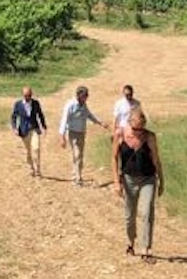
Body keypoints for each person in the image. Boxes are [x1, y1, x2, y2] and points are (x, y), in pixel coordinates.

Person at [113, 108, 163, 261]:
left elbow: (156, 159)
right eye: (135, 128)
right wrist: (116, 181)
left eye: (142, 127)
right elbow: (114, 158)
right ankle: (130, 241)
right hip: (128, 179)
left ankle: (146, 248)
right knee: (130, 214)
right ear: (129, 123)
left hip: (148, 178)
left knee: (147, 212)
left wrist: (162, 179)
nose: (138, 132)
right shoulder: (120, 134)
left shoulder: (149, 137)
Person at [59, 86, 110, 186]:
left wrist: (100, 123)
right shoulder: (70, 105)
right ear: (78, 96)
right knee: (77, 154)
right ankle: (77, 178)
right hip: (73, 132)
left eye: (86, 96)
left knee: (80, 155)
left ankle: (77, 174)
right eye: (83, 97)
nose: (85, 98)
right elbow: (64, 120)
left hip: (82, 132)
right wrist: (62, 137)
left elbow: (89, 115)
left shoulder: (84, 105)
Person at [10, 86, 48, 177]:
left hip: (34, 128)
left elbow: (40, 114)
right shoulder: (18, 104)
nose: (28, 97)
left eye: (29, 95)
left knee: (36, 148)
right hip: (23, 130)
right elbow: (14, 117)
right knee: (28, 151)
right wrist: (14, 128)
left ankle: (38, 169)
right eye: (26, 96)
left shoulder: (35, 103)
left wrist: (44, 126)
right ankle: (31, 167)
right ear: (23, 95)